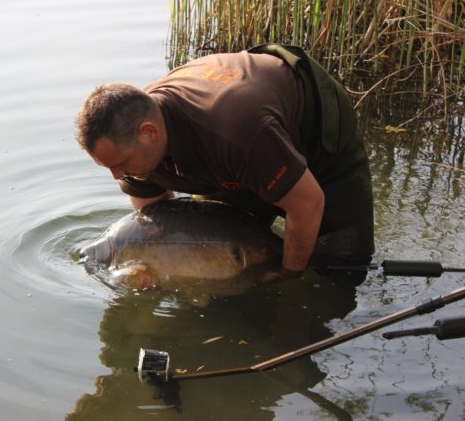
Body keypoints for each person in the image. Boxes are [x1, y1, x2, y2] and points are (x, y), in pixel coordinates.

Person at [75, 44, 374, 282]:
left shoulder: (236, 133)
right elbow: (158, 219)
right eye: (109, 167)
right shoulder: (134, 136)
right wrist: (156, 268)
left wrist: (288, 274)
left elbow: (308, 203)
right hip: (236, 147)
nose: (117, 175)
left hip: (313, 125)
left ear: (149, 133)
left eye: (121, 163)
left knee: (341, 269)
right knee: (222, 258)